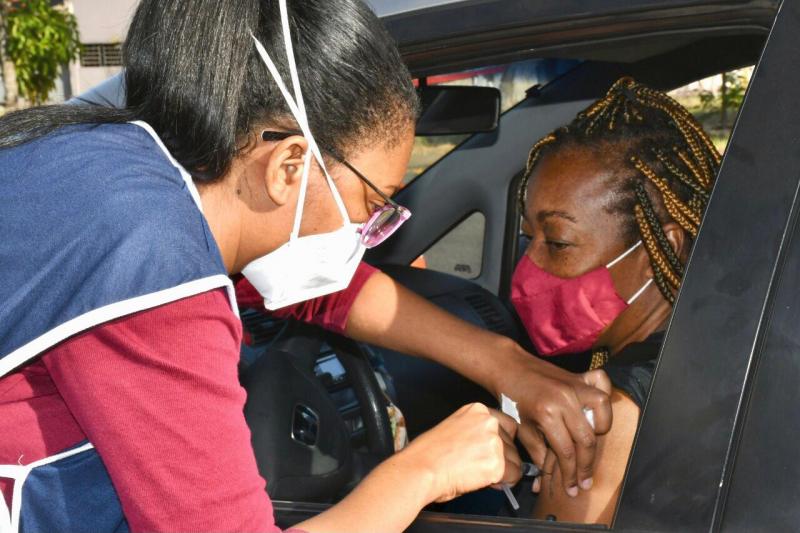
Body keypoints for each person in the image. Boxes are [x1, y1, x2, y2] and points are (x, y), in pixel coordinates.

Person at [0, 1, 613, 531]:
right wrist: (428, 470)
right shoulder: (153, 268)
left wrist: (507, 364)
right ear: (289, 165)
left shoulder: (116, 170)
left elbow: (320, 293)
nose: (367, 236)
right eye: (374, 203)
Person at [510, 77, 720, 524]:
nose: (527, 271)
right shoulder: (718, 339)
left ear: (657, 251)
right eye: (528, 236)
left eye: (559, 243)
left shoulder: (609, 418)